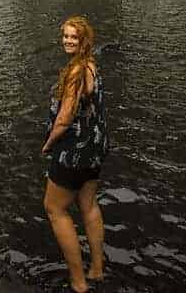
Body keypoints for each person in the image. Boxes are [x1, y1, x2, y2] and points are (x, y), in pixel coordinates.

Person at [41, 15, 109, 293]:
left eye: (74, 37)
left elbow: (65, 118)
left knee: (54, 208)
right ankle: (97, 270)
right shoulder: (91, 66)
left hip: (73, 153)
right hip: (93, 149)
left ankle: (78, 282)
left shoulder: (75, 73)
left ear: (84, 41)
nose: (68, 41)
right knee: (89, 205)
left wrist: (48, 144)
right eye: (66, 36)